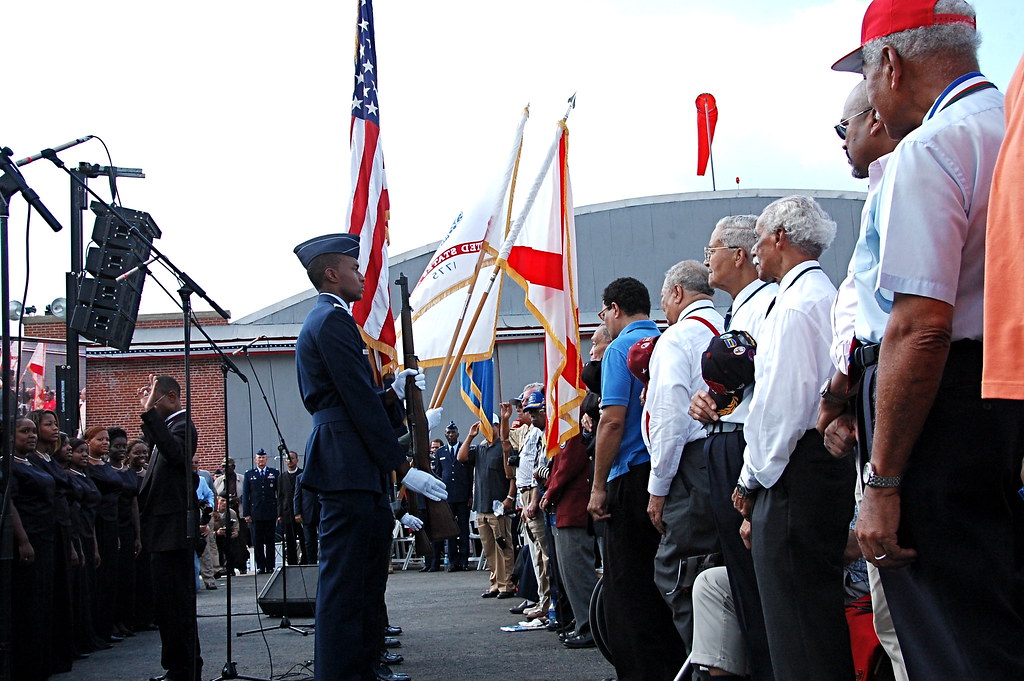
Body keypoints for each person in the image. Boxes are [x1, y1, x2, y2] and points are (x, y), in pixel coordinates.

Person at [831, 1, 1024, 676]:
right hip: (1005, 388)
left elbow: (920, 324)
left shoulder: (931, 147)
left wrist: (881, 481)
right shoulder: (1011, 126)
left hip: (938, 410)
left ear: (891, 62)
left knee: (952, 638)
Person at [292, 232, 446, 681]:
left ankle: (359, 668)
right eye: (354, 268)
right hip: (346, 464)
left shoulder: (331, 320)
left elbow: (357, 395)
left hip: (351, 461)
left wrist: (392, 395)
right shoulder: (332, 321)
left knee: (361, 581)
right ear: (330, 274)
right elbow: (354, 402)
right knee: (345, 584)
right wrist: (401, 467)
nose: (361, 276)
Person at [732, 196, 853, 681]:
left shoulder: (796, 305)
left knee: (795, 625)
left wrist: (750, 479)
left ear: (780, 237)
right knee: (814, 618)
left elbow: (779, 407)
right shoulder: (823, 294)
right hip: (816, 465)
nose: (755, 251)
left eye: (758, 239)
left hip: (792, 471)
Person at [818, 81, 907, 681]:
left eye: (841, 128)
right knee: (895, 617)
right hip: (874, 409)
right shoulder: (884, 189)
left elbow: (908, 324)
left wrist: (838, 395)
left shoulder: (911, 176)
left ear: (874, 118)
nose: (841, 143)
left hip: (905, 414)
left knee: (911, 620)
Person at [688, 214, 778, 681]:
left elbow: (770, 384)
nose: (708, 261)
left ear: (738, 255)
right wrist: (711, 400)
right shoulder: (739, 310)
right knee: (741, 582)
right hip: (725, 439)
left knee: (756, 580)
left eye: (712, 250)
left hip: (747, 446)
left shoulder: (767, 306)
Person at [588, 276, 684, 681]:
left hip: (628, 475)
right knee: (664, 580)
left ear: (614, 309)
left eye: (603, 313)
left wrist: (597, 487)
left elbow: (611, 421)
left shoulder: (618, 350)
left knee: (627, 590)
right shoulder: (668, 341)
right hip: (666, 473)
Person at [642, 260, 723, 651]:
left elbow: (669, 421)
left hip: (693, 469)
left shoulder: (676, 339)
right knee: (723, 571)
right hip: (729, 460)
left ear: (677, 293)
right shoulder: (731, 327)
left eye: (664, 299)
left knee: (681, 572)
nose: (664, 308)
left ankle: (708, 664)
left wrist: (658, 488)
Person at [137, 373, 203, 681]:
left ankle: (185, 668)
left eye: (154, 396)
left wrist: (149, 412)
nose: (149, 401)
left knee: (177, 606)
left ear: (172, 398)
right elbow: (156, 442)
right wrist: (149, 412)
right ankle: (176, 666)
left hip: (174, 534)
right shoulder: (167, 429)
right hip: (162, 533)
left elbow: (175, 453)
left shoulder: (182, 426)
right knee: (167, 607)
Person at [9, 417, 56, 681]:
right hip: (29, 538)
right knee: (28, 603)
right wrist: (23, 539)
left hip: (46, 537)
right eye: (24, 431)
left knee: (42, 601)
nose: (31, 435)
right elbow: (11, 503)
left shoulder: (34, 463)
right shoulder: (10, 465)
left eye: (32, 431)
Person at [457, 409, 516, 598]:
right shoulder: (481, 448)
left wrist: (510, 497)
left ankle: (507, 584)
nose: (487, 429)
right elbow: (461, 457)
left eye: (490, 425)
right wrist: (470, 436)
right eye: (483, 426)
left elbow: (512, 475)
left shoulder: (504, 447)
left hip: (498, 506)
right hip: (482, 506)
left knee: (503, 546)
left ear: (498, 427)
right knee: (489, 548)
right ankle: (495, 582)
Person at [433, 422, 472, 572]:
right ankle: (452, 561)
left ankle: (464, 561)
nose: (450, 435)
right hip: (447, 496)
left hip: (462, 496)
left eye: (453, 432)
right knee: (450, 530)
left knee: (463, 529)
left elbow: (469, 475)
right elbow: (438, 474)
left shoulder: (464, 448)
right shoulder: (440, 452)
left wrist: (470, 495)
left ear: (457, 434)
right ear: (445, 435)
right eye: (448, 433)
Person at [242, 449, 279, 574]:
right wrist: (246, 513)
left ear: (266, 459)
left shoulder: (274, 473)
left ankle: (270, 565)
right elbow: (246, 495)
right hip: (255, 512)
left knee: (270, 541)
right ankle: (260, 566)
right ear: (255, 459)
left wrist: (278, 512)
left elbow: (278, 494)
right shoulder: (249, 474)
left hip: (270, 511)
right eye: (259, 458)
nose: (261, 460)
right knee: (257, 541)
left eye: (263, 458)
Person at [278, 450, 306, 565]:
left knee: (304, 537)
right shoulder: (281, 477)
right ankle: (292, 562)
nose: (290, 461)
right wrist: (279, 514)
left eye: (292, 458)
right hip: (287, 512)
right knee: (290, 539)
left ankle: (305, 560)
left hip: (301, 512)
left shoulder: (302, 474)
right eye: (287, 459)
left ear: (297, 460)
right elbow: (280, 496)